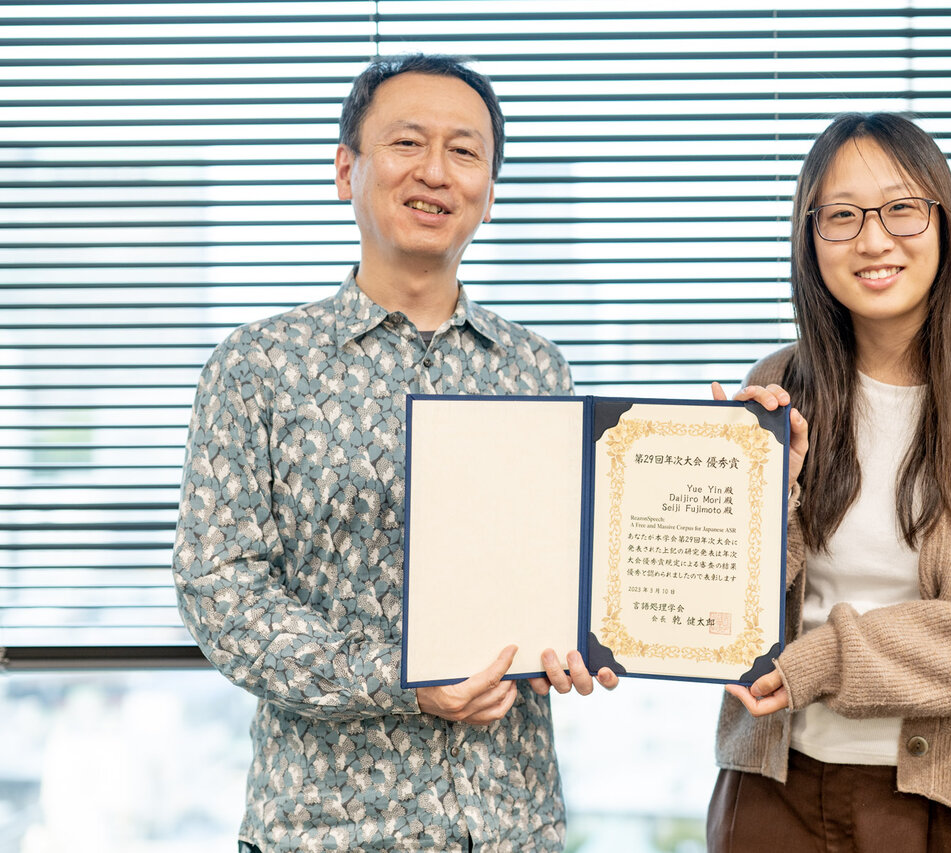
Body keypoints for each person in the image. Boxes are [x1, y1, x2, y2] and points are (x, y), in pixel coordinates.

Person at [172, 54, 617, 852]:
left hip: (512, 824)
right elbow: (222, 593)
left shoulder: (537, 371)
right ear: (347, 170)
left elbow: (568, 568)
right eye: (408, 143)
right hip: (326, 828)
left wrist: (592, 635)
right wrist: (404, 677)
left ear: (490, 191)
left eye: (465, 151)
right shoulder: (257, 367)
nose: (436, 172)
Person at [707, 113, 951, 852]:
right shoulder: (776, 385)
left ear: (944, 220)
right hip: (772, 792)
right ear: (809, 238)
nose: (873, 240)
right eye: (842, 215)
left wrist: (833, 659)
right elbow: (723, 610)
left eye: (901, 208)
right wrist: (771, 498)